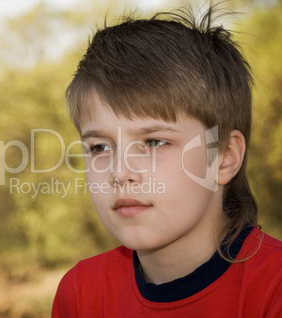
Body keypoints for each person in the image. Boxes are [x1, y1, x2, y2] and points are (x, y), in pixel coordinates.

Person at [52, 2, 282, 317]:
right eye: (99, 148)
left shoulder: (272, 290)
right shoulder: (80, 294)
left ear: (225, 158)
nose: (120, 172)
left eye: (154, 141)